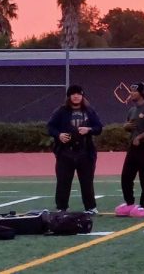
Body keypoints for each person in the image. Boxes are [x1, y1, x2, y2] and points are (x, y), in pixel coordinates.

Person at [46, 84, 103, 215]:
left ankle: (90, 207)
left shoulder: (89, 111)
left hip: (85, 152)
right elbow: (50, 127)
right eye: (73, 94)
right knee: (63, 182)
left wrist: (89, 129)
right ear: (69, 96)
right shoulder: (61, 111)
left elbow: (99, 127)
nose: (76, 96)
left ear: (82, 96)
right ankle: (62, 207)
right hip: (65, 152)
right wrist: (59, 135)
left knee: (87, 182)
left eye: (78, 94)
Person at [115, 82, 144, 218]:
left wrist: (139, 137)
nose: (131, 93)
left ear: (141, 93)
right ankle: (129, 203)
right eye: (131, 91)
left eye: (134, 91)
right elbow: (129, 126)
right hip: (133, 147)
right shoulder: (132, 110)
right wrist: (126, 126)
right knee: (126, 176)